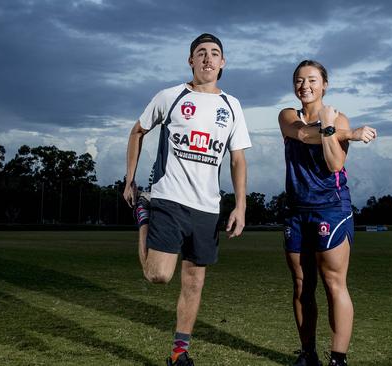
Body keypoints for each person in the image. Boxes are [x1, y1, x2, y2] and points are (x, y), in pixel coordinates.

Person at [123, 33, 251, 366]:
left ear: (223, 63)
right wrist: (130, 179)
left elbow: (238, 159)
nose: (208, 59)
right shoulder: (171, 96)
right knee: (158, 276)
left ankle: (180, 354)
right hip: (168, 198)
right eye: (201, 53)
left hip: (208, 207)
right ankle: (143, 213)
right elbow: (137, 131)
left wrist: (240, 204)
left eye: (214, 54)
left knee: (194, 281)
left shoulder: (232, 106)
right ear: (190, 61)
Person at [278, 60, 377, 366]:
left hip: (331, 209)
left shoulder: (339, 118)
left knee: (334, 283)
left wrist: (335, 128)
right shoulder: (287, 116)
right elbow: (303, 135)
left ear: (324, 84)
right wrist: (342, 132)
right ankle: (308, 354)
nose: (304, 85)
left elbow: (334, 164)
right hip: (296, 210)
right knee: (301, 284)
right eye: (299, 80)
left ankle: (338, 358)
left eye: (311, 80)